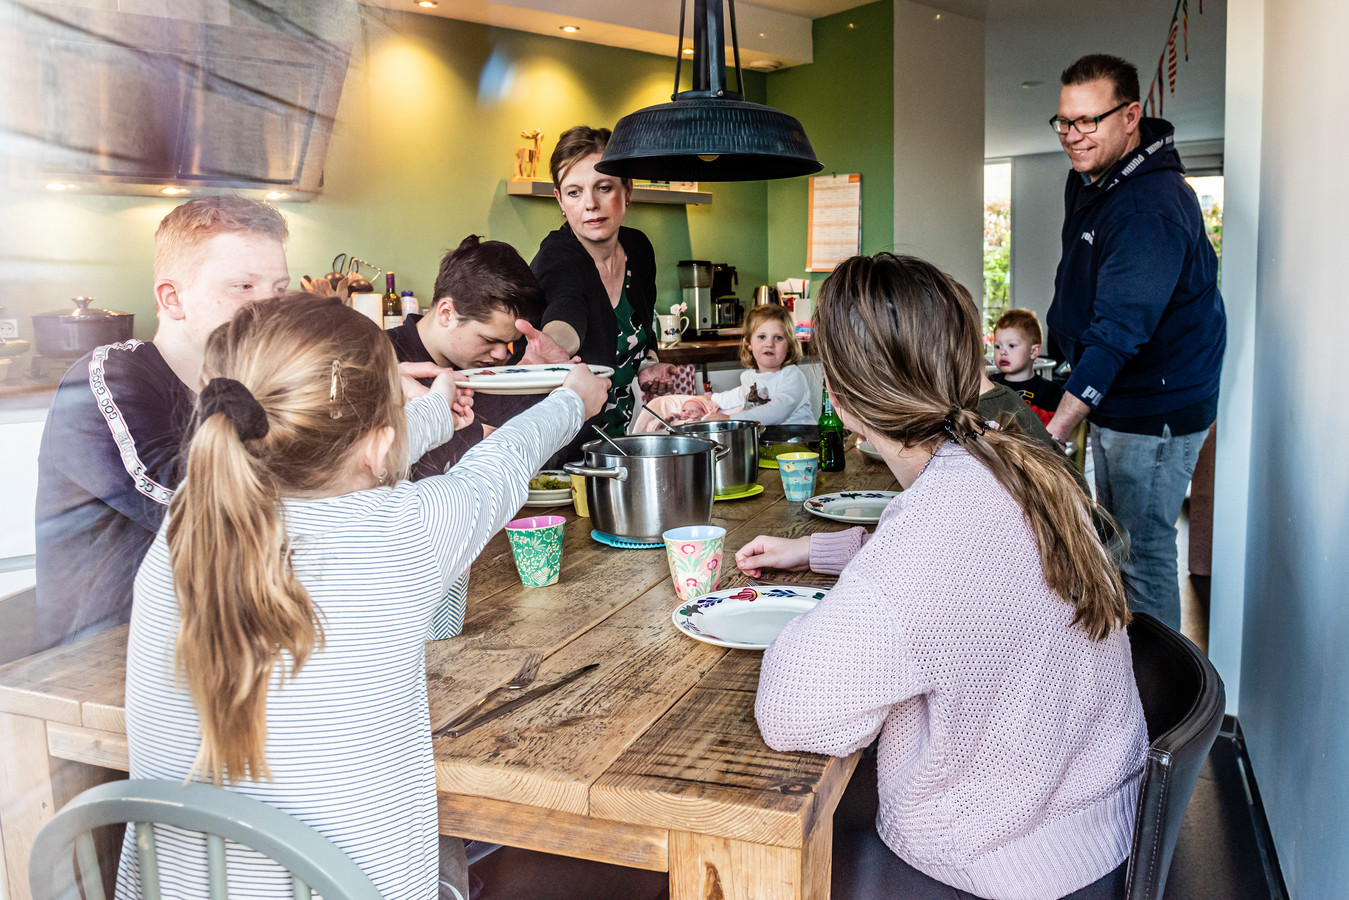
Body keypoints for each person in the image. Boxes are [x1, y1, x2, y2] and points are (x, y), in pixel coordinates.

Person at [117, 293, 608, 900]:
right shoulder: (400, 534)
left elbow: (344, 454)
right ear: (378, 443)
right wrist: (571, 401)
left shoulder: (194, 512)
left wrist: (430, 413)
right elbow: (502, 464)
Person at [737, 253, 1147, 900]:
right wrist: (830, 553)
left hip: (998, 866)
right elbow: (973, 580)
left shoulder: (927, 540)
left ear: (838, 400)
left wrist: (860, 579)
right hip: (1098, 828)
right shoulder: (1012, 459)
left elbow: (793, 713)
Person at [34, 195, 291, 651]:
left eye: (278, 289)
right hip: (105, 657)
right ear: (173, 299)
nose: (269, 309)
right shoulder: (109, 379)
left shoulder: (245, 385)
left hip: (221, 644)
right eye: (243, 287)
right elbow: (192, 507)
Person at [1043, 54, 1226, 630]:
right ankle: (1123, 678)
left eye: (1088, 122)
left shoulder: (1151, 207)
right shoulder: (1091, 175)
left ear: (1130, 116)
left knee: (1141, 554)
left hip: (1157, 408)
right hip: (1121, 393)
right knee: (1116, 541)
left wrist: (1054, 433)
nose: (1073, 138)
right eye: (1064, 122)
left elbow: (1118, 334)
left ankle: (1158, 708)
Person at [530, 125, 677, 457]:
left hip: (616, 446)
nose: (590, 204)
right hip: (559, 456)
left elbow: (640, 321)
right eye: (574, 192)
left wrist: (647, 363)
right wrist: (552, 344)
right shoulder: (558, 257)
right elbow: (565, 311)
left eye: (603, 187)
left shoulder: (638, 249)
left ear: (627, 189)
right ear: (559, 200)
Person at [387, 234, 573, 477]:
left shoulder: (486, 373)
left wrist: (533, 382)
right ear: (446, 314)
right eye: (488, 340)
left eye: (508, 343)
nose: (500, 353)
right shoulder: (376, 359)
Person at [706, 304, 814, 425]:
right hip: (767, 440)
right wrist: (706, 400)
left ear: (789, 345)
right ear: (748, 343)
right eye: (762, 337)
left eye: (778, 338)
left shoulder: (791, 376)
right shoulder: (749, 377)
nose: (769, 344)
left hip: (797, 439)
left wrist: (732, 419)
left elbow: (776, 411)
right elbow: (732, 397)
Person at [989, 307, 1063, 422]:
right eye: (998, 346)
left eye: (1012, 346)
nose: (1002, 352)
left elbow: (1052, 426)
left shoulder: (1049, 390)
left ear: (1033, 352)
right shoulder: (991, 383)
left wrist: (1016, 408)